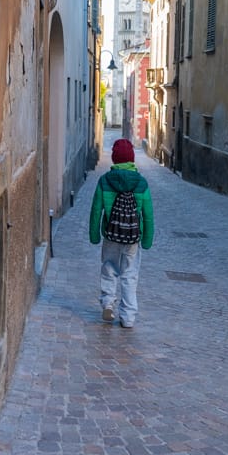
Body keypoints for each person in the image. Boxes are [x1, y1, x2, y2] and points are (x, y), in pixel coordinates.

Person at [89, 138, 154, 328]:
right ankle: (128, 317)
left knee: (109, 267)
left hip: (111, 235)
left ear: (115, 159)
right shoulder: (141, 183)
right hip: (132, 238)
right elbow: (148, 215)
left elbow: (96, 210)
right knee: (130, 274)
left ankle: (108, 303)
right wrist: (147, 239)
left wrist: (94, 235)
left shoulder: (104, 181)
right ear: (132, 159)